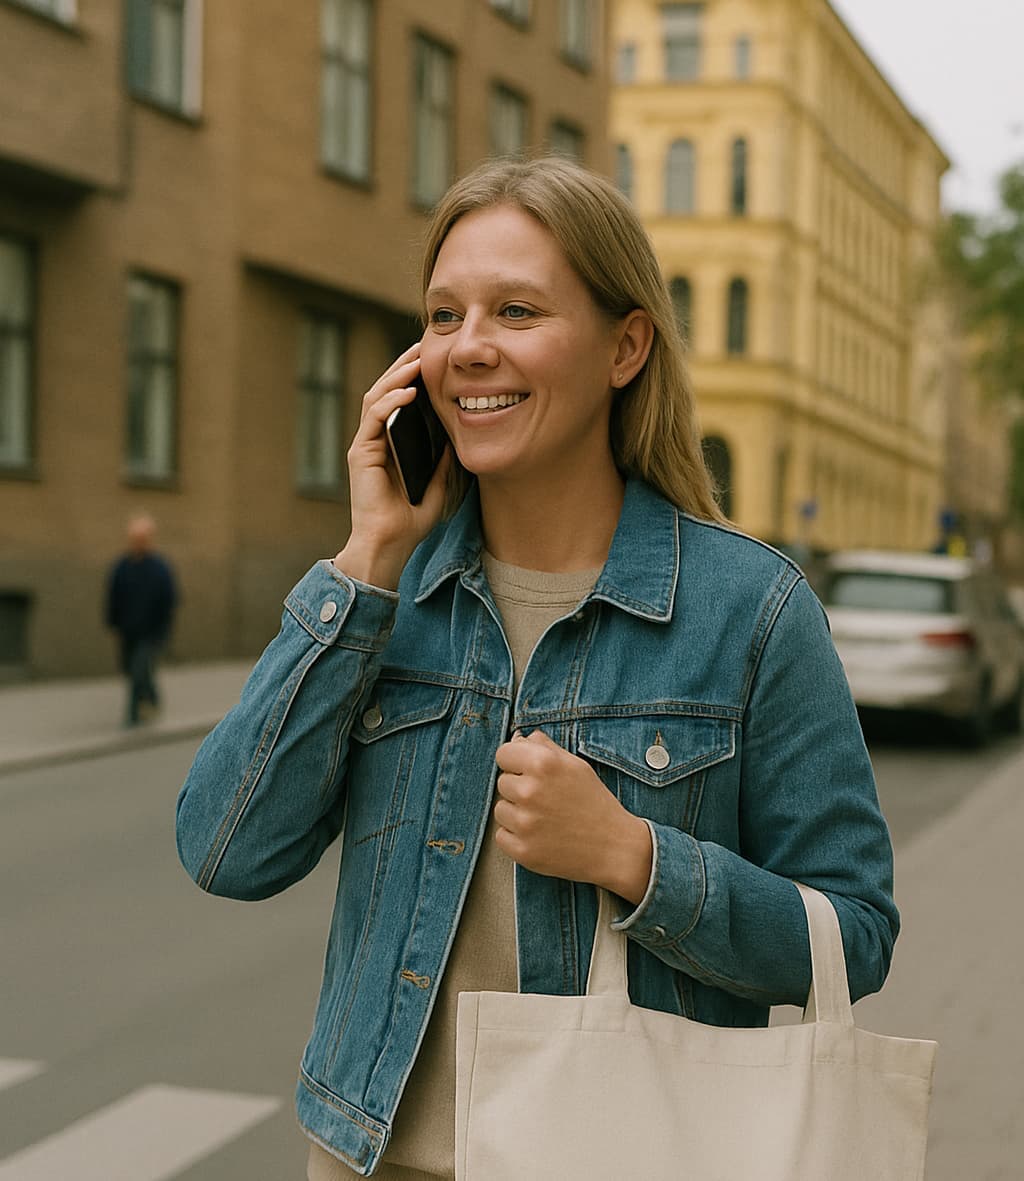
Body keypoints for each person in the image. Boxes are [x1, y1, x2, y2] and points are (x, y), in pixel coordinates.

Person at [176, 157, 898, 1180]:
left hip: (636, 1156)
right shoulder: (387, 594)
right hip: (374, 1158)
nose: (469, 347)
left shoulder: (752, 610)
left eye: (516, 310)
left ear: (625, 345)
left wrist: (633, 857)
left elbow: (853, 932)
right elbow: (226, 848)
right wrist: (367, 558)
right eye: (442, 314)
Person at [105, 513, 177, 726]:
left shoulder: (159, 569)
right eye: (135, 538)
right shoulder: (122, 567)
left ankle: (132, 714)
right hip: (128, 631)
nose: (138, 542)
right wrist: (113, 623)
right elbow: (113, 595)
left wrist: (163, 629)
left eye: (142, 538)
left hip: (151, 632)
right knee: (132, 669)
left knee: (139, 669)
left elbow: (169, 600)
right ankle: (152, 697)